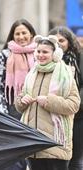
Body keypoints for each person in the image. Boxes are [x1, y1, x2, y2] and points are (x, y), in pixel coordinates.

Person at [15, 35, 80, 170]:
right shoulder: (31, 74)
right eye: (38, 51)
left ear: (55, 54)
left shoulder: (65, 74)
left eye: (45, 52)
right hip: (33, 145)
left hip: (56, 145)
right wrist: (22, 101)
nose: (41, 55)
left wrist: (49, 101)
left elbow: (74, 105)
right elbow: (20, 104)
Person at [0, 18, 36, 170]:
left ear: (31, 34)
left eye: (24, 32)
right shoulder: (4, 55)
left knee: (34, 155)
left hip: (36, 111)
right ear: (12, 36)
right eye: (17, 33)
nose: (21, 36)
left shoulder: (40, 54)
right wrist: (2, 113)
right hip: (12, 111)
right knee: (15, 157)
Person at [48, 26, 82, 170]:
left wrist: (74, 104)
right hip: (53, 116)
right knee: (56, 158)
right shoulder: (46, 60)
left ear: (69, 41)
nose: (59, 43)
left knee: (75, 158)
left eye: (62, 40)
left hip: (78, 115)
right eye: (55, 41)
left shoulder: (79, 58)